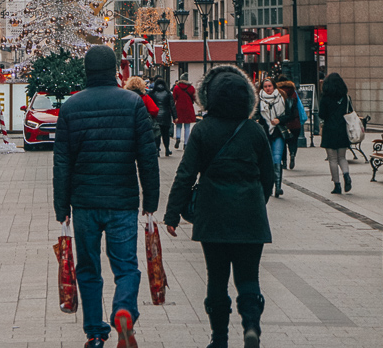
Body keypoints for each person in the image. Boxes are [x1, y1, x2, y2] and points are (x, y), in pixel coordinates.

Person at [54, 46, 160, 348]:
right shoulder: (132, 103)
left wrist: (61, 205)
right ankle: (124, 309)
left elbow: (62, 161)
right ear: (115, 69)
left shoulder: (71, 107)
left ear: (86, 71)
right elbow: (147, 157)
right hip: (123, 201)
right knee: (126, 265)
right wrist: (150, 199)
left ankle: (95, 333)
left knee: (88, 269)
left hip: (85, 202)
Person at [164, 65, 273, 348]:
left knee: (217, 279)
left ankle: (220, 339)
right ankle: (251, 326)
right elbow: (268, 177)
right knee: (249, 278)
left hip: (213, 216)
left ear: (209, 97)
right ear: (247, 98)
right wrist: (257, 203)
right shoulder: (255, 131)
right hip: (250, 215)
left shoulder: (202, 131)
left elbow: (186, 174)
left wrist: (172, 213)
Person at [256, 76, 291, 198]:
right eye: (265, 86)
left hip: (278, 132)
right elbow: (255, 116)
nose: (267, 88)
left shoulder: (282, 98)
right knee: (267, 161)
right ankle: (268, 187)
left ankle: (278, 187)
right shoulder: (259, 100)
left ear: (274, 86)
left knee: (277, 158)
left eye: (269, 86)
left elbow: (289, 115)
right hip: (264, 133)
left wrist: (279, 120)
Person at [319, 72, 353, 194]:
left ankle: (337, 185)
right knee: (342, 157)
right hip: (342, 129)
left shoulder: (325, 98)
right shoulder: (345, 97)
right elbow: (350, 111)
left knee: (333, 159)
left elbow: (321, 114)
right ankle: (346, 175)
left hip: (329, 130)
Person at [276, 76, 302, 169]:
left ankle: (284, 162)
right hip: (295, 121)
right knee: (293, 141)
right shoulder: (293, 91)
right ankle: (292, 155)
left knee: (282, 142)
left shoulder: (277, 92)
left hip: (283, 122)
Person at [149, 77, 177, 156]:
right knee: (166, 134)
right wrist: (175, 117)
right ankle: (167, 149)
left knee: (157, 134)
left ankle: (157, 150)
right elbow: (172, 106)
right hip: (166, 116)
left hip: (156, 116)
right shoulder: (168, 93)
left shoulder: (152, 93)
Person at [173, 76, 197, 149]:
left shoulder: (176, 88)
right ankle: (186, 143)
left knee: (178, 125)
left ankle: (178, 137)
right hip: (188, 108)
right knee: (187, 126)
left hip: (179, 108)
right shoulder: (191, 88)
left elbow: (174, 98)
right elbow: (194, 98)